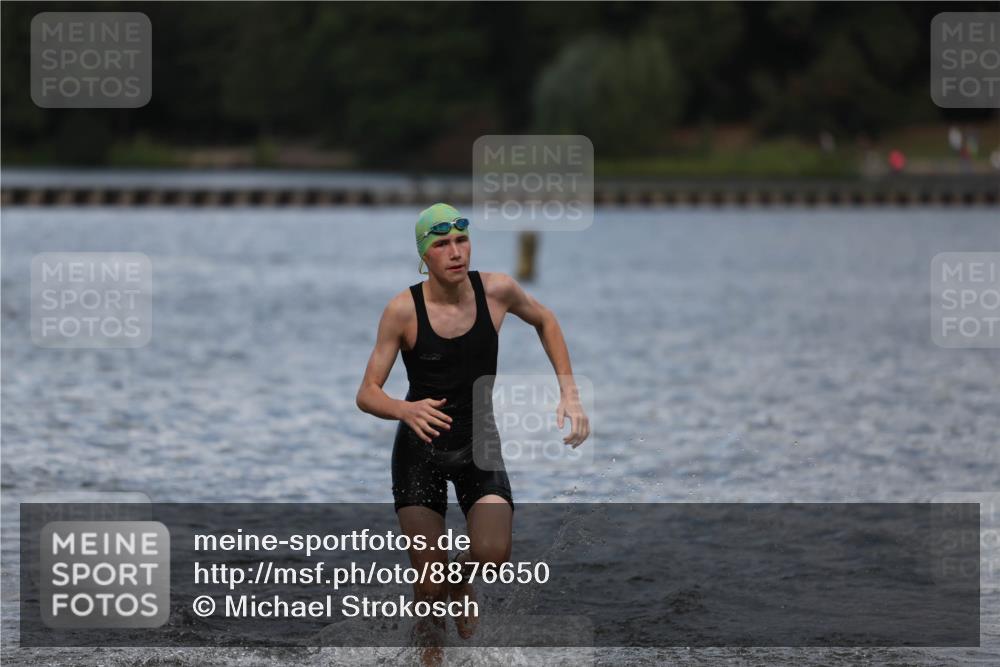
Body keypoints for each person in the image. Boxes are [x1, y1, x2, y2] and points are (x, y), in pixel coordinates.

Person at [356, 203, 589, 660]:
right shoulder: (403, 311)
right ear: (425, 255)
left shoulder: (497, 291)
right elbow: (367, 392)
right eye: (442, 244)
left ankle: (460, 582)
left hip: (478, 442)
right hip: (418, 450)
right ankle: (430, 660)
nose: (455, 252)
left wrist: (570, 393)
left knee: (493, 549)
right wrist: (404, 409)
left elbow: (546, 320)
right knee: (427, 579)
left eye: (462, 241)